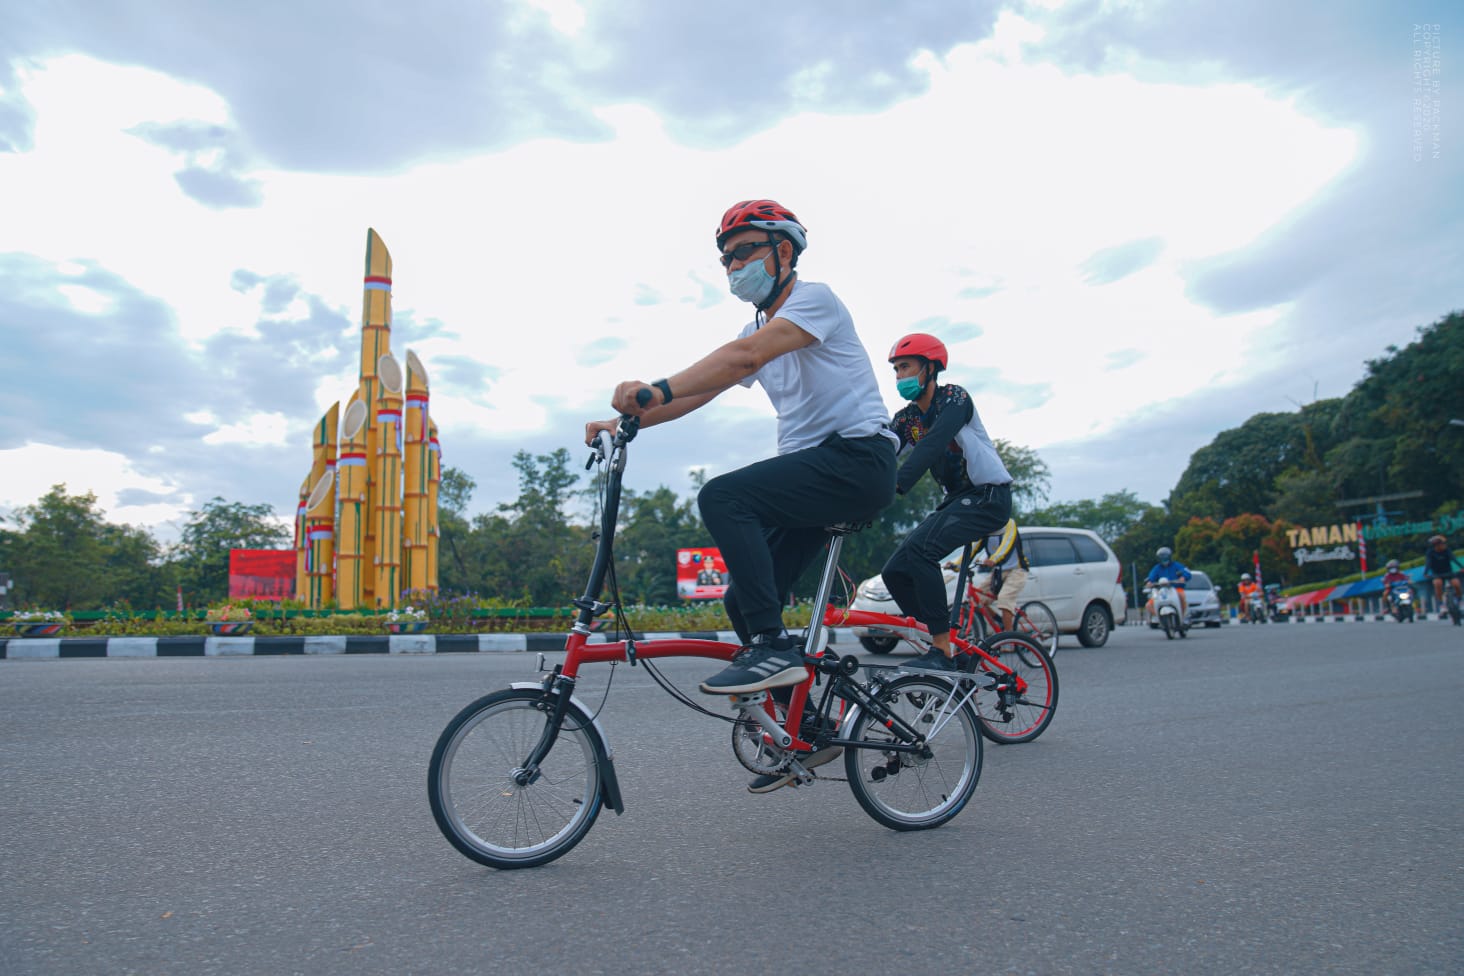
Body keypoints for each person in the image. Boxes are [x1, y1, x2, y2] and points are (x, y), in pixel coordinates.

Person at [586, 199, 897, 706]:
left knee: (724, 498)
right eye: (727, 259)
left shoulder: (816, 301)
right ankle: (808, 728)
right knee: (743, 600)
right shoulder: (754, 332)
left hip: (858, 461)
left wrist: (654, 387)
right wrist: (623, 422)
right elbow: (697, 394)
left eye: (745, 251)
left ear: (784, 253)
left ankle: (774, 647)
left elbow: (741, 360)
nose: (734, 266)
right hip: (819, 476)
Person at [878, 333, 1014, 670]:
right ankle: (950, 647)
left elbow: (936, 441)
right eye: (895, 370)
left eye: (906, 367)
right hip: (956, 501)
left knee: (923, 552)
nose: (900, 377)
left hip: (988, 497)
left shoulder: (954, 398)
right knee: (895, 571)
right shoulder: (908, 419)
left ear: (930, 368)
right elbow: (879, 452)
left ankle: (942, 650)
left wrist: (898, 483)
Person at [976, 519, 1028, 631]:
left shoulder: (1008, 523)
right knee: (976, 599)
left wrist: (994, 559)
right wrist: (956, 564)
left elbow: (1007, 543)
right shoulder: (985, 527)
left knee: (1004, 598)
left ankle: (1009, 640)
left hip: (1016, 570)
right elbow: (973, 546)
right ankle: (1001, 623)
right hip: (998, 571)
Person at [1145, 547, 1192, 622]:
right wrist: (1149, 582)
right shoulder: (1157, 568)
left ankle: (1183, 617)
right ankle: (1160, 619)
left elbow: (1187, 572)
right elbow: (1151, 577)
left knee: (1182, 596)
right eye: (1161, 558)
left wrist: (1183, 578)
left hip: (1176, 589)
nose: (1164, 560)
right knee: (1148, 605)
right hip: (1161, 591)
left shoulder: (1176, 565)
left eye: (1165, 557)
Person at [1423, 534, 1463, 613]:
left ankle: (1460, 600)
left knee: (1456, 584)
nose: (1443, 546)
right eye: (1441, 544)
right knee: (1437, 584)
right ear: (1435, 545)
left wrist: (1462, 567)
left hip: (1448, 572)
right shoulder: (1430, 553)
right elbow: (1428, 563)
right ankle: (1442, 604)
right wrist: (1426, 573)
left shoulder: (1447, 550)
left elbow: (1453, 558)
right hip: (1437, 574)